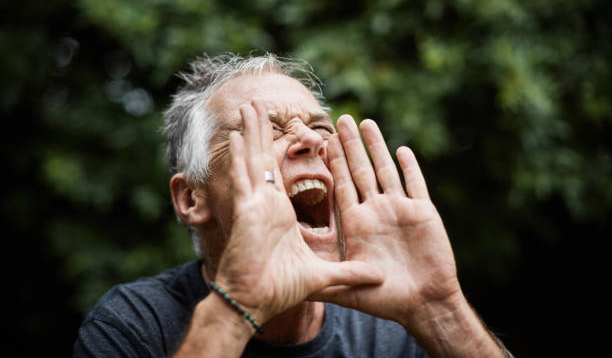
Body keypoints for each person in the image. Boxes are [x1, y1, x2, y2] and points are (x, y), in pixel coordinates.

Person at [74, 53, 512, 357]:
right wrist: (235, 308)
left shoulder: (397, 327)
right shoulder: (134, 324)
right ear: (192, 198)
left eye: (320, 127)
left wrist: (440, 307)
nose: (309, 140)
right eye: (266, 132)